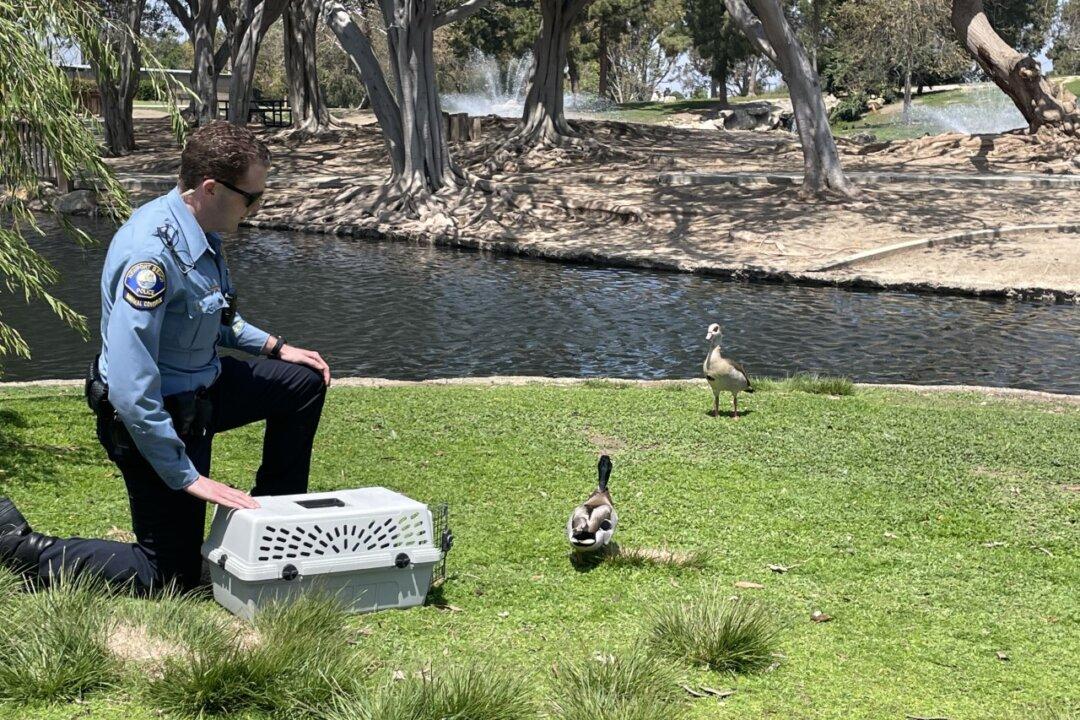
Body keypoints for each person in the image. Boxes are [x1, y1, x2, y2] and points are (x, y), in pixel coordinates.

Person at [0, 122, 331, 592]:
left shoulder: (199, 228)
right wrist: (187, 476)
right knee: (168, 575)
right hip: (156, 415)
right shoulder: (151, 257)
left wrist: (276, 347)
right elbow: (131, 390)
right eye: (252, 197)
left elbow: (214, 314)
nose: (258, 206)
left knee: (302, 382)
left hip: (202, 390)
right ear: (211, 188)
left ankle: (270, 528)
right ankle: (18, 546)